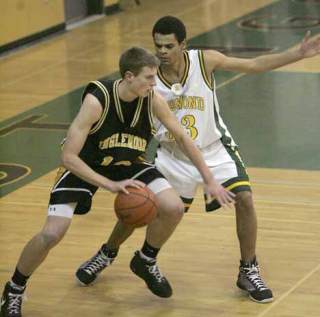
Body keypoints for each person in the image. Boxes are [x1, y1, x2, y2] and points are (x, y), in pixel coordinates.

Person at [75, 17, 320, 304]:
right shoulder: (148, 77)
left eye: (169, 45)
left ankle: (248, 269)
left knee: (245, 198)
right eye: (158, 45)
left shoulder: (204, 62)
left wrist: (297, 54)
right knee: (140, 205)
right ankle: (108, 252)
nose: (163, 51)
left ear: (183, 44)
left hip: (214, 148)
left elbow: (253, 65)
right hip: (172, 154)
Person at [0, 47, 235, 317]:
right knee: (52, 233)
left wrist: (210, 180)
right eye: (148, 77)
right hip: (84, 166)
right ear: (129, 76)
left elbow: (183, 138)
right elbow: (68, 157)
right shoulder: (97, 100)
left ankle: (145, 260)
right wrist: (109, 185)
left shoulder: (152, 99)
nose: (154, 83)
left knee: (173, 207)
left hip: (128, 163)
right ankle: (14, 289)